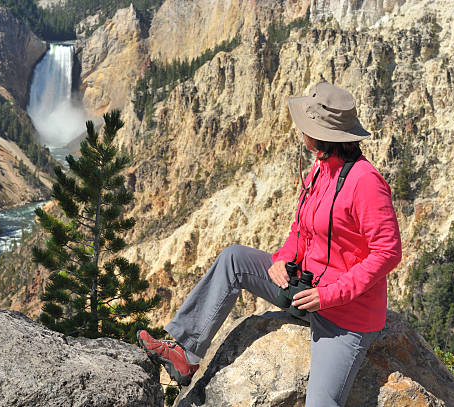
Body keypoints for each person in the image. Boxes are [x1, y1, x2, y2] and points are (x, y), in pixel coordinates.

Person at [137, 81, 402, 406]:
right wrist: (282, 259)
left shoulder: (365, 182)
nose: (300, 131)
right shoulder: (321, 170)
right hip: (304, 290)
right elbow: (300, 228)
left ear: (323, 136)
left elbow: (387, 253)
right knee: (234, 259)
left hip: (345, 315)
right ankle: (186, 354)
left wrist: (329, 295)